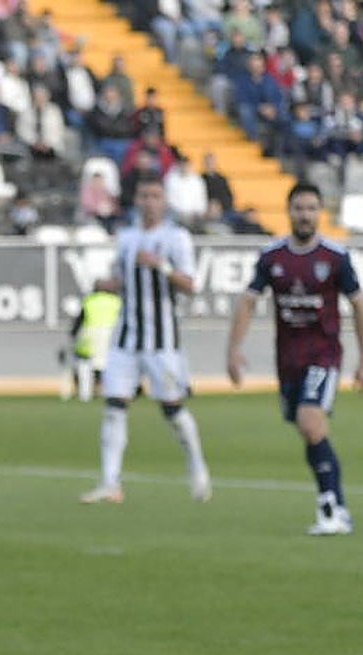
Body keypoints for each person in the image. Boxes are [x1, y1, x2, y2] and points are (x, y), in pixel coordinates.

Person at [225, 183, 363, 535]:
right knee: (311, 432)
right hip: (288, 360)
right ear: (288, 211)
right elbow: (248, 300)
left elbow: (360, 304)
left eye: (310, 209)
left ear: (320, 213)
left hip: (323, 355)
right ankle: (337, 506)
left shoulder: (335, 257)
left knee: (310, 421)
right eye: (298, 208)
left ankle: (330, 510)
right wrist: (233, 348)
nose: (304, 215)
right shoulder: (272, 257)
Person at [79, 177, 213, 505]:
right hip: (126, 337)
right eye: (144, 195)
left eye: (155, 195)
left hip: (161, 341)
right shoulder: (126, 238)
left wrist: (161, 266)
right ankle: (111, 482)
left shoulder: (176, 238)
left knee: (172, 409)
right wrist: (106, 284)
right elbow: (122, 280)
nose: (149, 201)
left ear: (164, 201)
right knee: (114, 407)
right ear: (136, 199)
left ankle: (198, 469)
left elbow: (191, 284)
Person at [61, 284, 121, 403]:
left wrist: (73, 336)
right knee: (109, 365)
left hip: (90, 336)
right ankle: (111, 392)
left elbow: (79, 321)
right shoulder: (117, 301)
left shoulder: (89, 300)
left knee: (84, 363)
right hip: (112, 336)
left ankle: (85, 394)